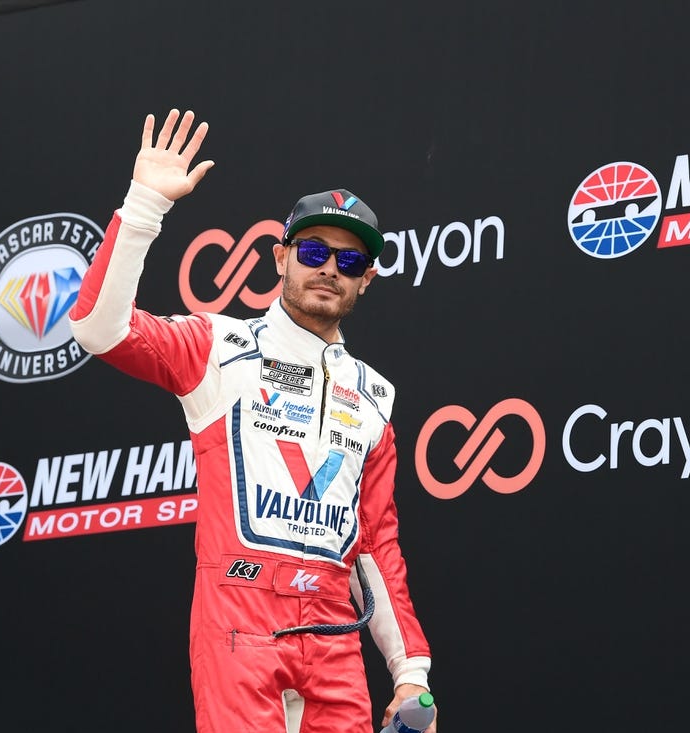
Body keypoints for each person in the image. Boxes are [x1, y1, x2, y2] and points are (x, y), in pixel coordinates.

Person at [68, 108, 436, 733]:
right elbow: (99, 328)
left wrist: (410, 674)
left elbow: (375, 546)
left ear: (366, 281)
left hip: (332, 628)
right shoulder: (219, 346)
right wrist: (144, 205)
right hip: (238, 617)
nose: (329, 269)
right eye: (315, 251)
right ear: (280, 257)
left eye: (349, 263)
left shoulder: (374, 396)